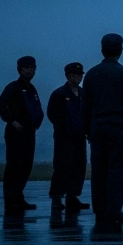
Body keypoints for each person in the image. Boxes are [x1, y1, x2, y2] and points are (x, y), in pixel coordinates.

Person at [82, 33, 123, 225]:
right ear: (120, 50)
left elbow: (85, 104)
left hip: (97, 126)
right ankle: (114, 209)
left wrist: (87, 129)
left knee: (99, 168)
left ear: (102, 50)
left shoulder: (91, 74)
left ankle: (99, 209)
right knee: (117, 169)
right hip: (117, 126)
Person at [0, 56, 44, 212]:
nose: (30, 70)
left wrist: (37, 122)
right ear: (20, 69)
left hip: (30, 132)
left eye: (32, 67)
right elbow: (0, 103)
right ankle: (10, 200)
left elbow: (37, 108)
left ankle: (19, 197)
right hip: (16, 133)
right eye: (27, 67)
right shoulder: (13, 87)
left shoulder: (32, 89)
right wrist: (11, 121)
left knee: (26, 166)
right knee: (14, 166)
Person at [46, 62, 88, 212]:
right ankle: (56, 197)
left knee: (79, 167)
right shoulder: (59, 94)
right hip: (64, 137)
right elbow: (51, 113)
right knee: (62, 166)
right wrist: (62, 127)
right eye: (74, 75)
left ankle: (72, 196)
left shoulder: (84, 94)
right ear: (68, 76)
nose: (77, 77)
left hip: (80, 136)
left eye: (79, 75)